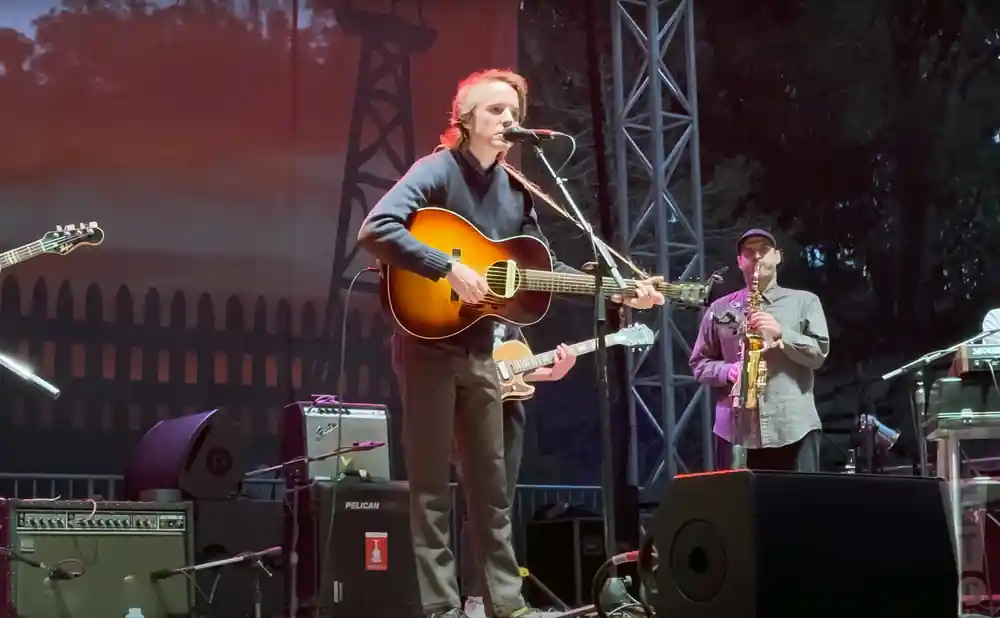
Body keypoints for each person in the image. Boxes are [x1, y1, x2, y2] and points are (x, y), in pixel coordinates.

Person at [357, 68, 664, 618]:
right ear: (465, 118)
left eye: (514, 113)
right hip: (426, 345)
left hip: (481, 349)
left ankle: (505, 603)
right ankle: (440, 607)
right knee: (430, 489)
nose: (508, 120)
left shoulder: (517, 190)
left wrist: (618, 291)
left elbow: (543, 268)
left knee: (491, 489)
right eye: (495, 110)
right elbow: (377, 228)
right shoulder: (436, 170)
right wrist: (446, 267)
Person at [460, 324, 577, 618]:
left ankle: (499, 598)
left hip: (508, 413)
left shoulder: (512, 321)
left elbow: (516, 367)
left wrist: (555, 372)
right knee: (478, 504)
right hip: (470, 408)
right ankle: (475, 598)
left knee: (501, 507)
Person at [689, 228, 829, 472]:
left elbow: (818, 354)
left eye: (763, 250)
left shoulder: (805, 302)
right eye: (749, 252)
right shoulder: (719, 309)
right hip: (735, 429)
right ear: (739, 261)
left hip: (792, 426)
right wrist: (729, 371)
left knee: (800, 498)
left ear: (778, 256)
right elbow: (699, 364)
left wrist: (782, 333)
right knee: (736, 498)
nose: (756, 256)